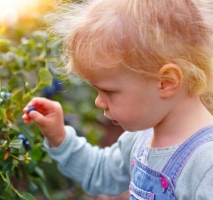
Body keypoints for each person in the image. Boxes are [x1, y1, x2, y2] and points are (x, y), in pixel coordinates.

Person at [22, 0, 213, 199]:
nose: (98, 102)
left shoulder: (206, 163)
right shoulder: (141, 137)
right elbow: (101, 171)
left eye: (109, 91)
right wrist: (60, 137)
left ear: (165, 82)